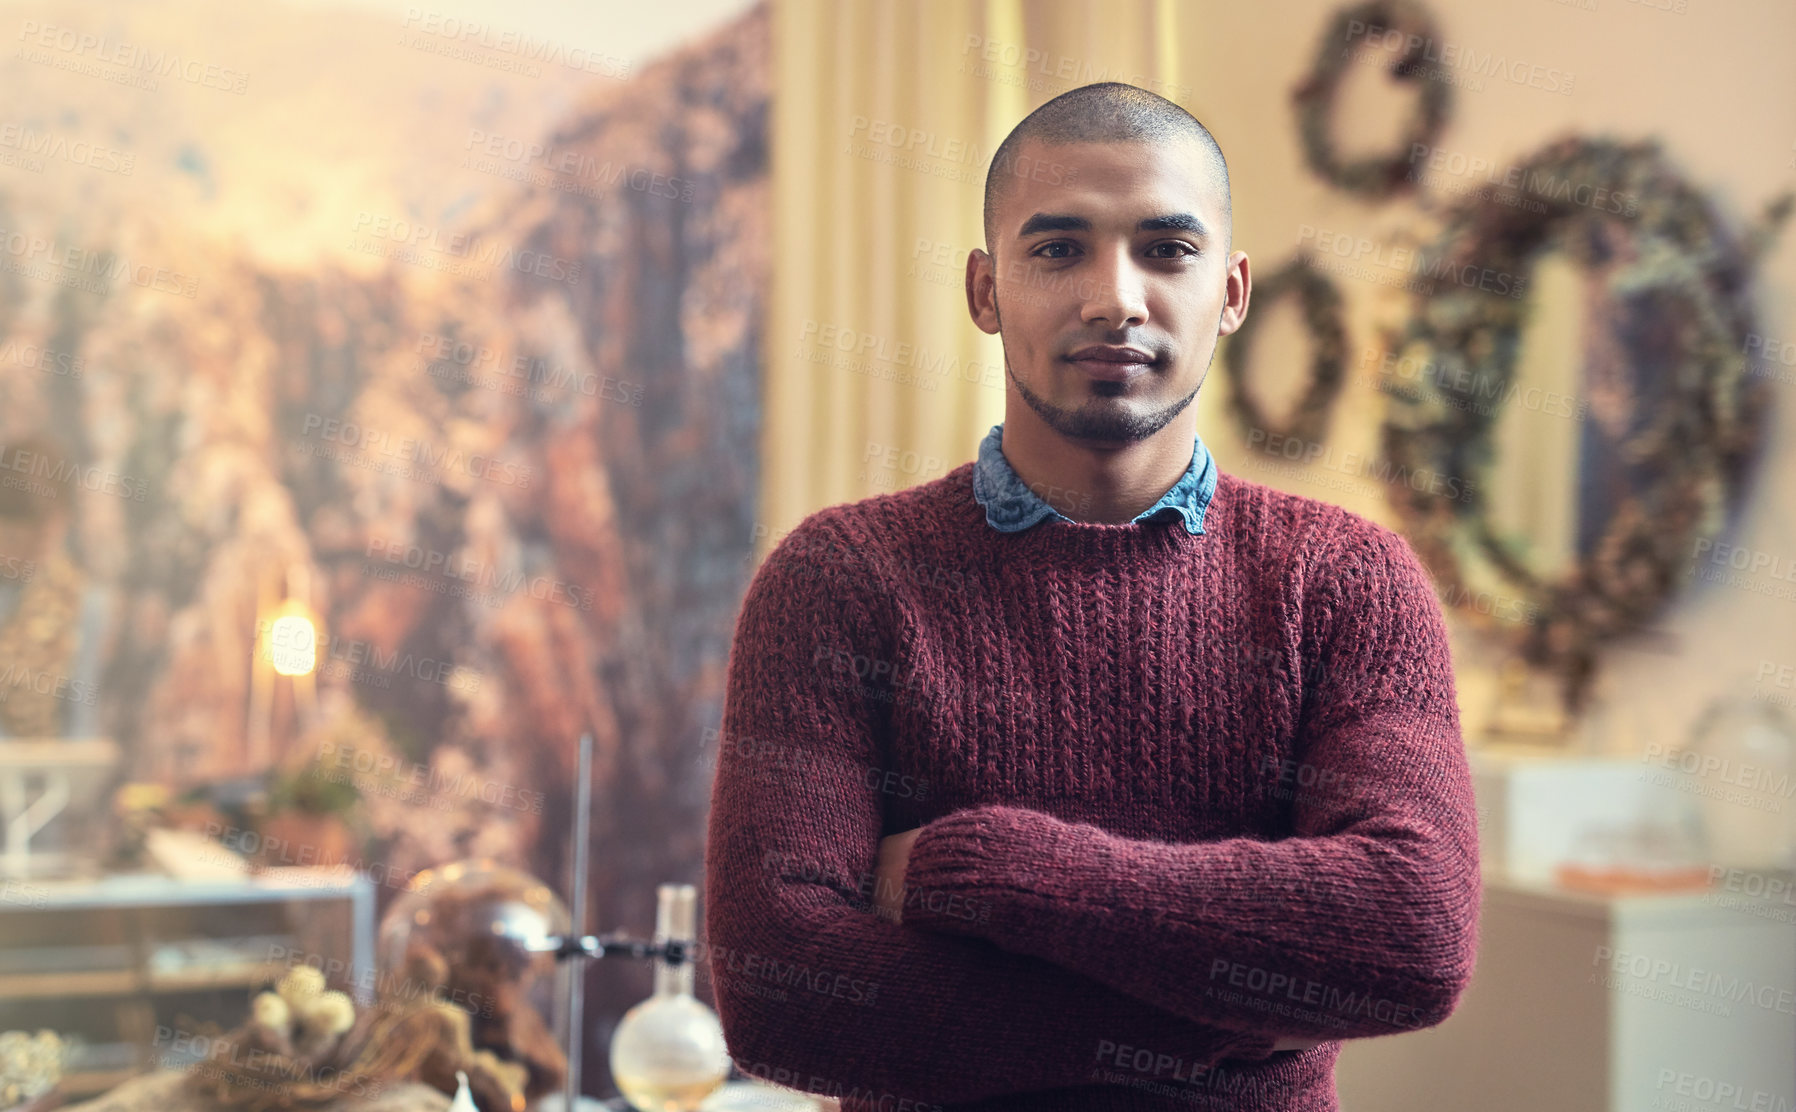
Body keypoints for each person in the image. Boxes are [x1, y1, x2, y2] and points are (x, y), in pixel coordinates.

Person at [703, 81, 1480, 1112]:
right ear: (984, 291)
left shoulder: (1343, 582)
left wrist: (977, 869)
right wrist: (1239, 1027)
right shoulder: (840, 579)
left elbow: (1411, 932)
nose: (1114, 296)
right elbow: (781, 994)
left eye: (1167, 249)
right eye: (1057, 248)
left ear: (1232, 291)